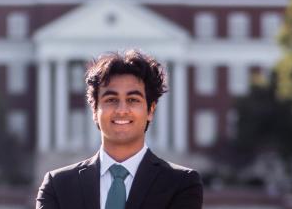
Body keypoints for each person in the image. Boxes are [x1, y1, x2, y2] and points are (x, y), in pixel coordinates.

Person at [36, 49, 203, 209]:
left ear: (151, 110)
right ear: (94, 111)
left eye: (132, 100)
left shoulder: (181, 183)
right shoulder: (57, 185)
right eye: (111, 100)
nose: (121, 110)